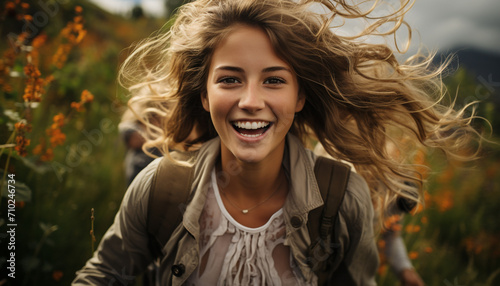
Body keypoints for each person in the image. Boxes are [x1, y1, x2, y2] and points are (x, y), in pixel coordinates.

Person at [73, 0, 482, 285]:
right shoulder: (161, 186)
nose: (251, 102)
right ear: (204, 95)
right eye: (230, 79)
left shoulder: (342, 201)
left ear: (300, 97)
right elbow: (105, 275)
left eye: (274, 80)